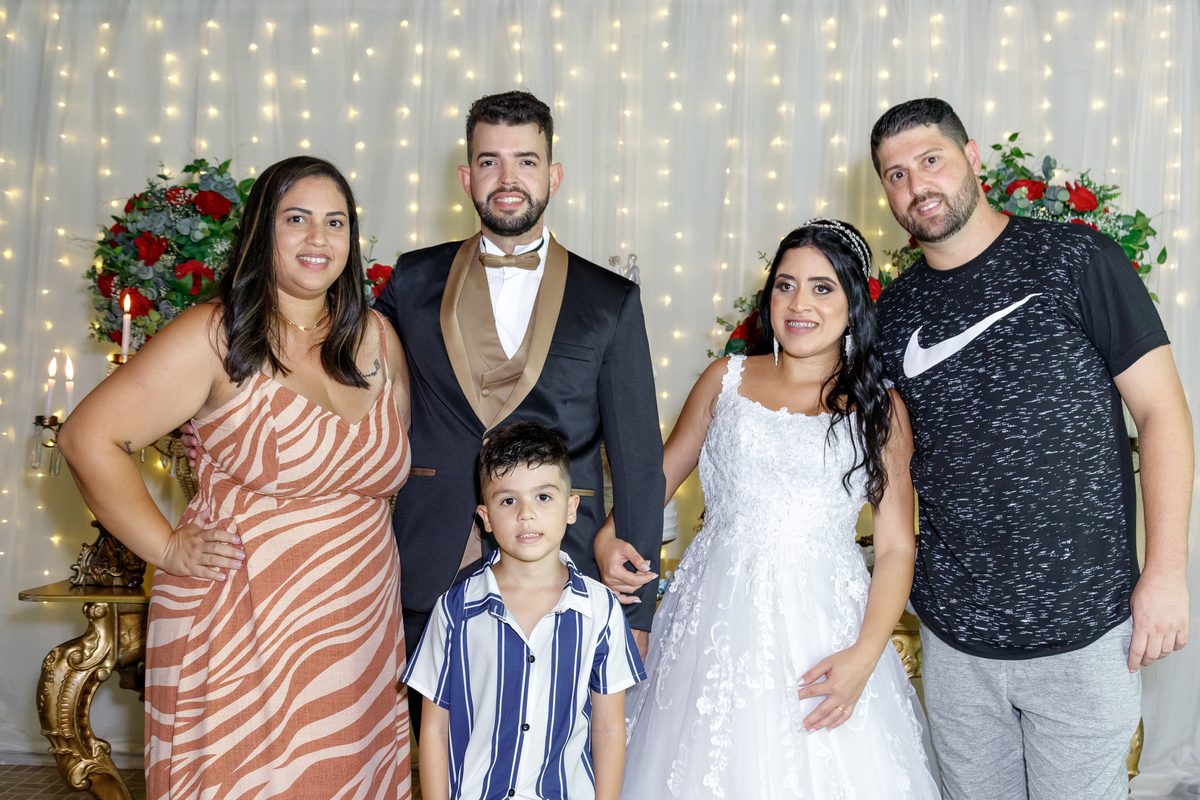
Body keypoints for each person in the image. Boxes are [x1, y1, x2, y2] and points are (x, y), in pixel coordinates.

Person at [59, 156, 414, 800]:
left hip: (360, 628)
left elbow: (385, 471)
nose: (318, 237)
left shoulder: (378, 338)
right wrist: (167, 547)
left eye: (335, 222)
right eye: (296, 219)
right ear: (260, 231)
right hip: (242, 622)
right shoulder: (215, 335)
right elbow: (87, 438)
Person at [870, 97, 1193, 799]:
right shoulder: (890, 315)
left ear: (972, 157)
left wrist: (1167, 571)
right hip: (956, 641)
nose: (917, 185)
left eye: (931, 160)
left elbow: (1162, 413)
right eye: (896, 174)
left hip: (1085, 631)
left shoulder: (1077, 258)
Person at [370, 91, 664, 733]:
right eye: (490, 161)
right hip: (432, 558)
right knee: (440, 755)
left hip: (568, 566)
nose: (508, 179)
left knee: (558, 753)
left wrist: (637, 609)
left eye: (525, 161)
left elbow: (640, 461)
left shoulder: (609, 299)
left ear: (553, 175)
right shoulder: (412, 281)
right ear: (466, 176)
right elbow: (347, 375)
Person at [615, 219, 940, 798]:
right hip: (711, 623)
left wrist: (865, 656)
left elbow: (895, 546)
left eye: (822, 288)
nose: (799, 304)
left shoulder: (880, 407)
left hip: (824, 631)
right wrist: (607, 537)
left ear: (853, 303)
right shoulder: (725, 379)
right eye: (786, 285)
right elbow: (653, 484)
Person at [404, 421, 644, 800]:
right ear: (485, 517)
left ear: (571, 508)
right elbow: (435, 729)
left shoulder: (601, 610)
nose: (526, 514)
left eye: (543, 497)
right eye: (508, 500)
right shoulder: (454, 611)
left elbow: (608, 728)